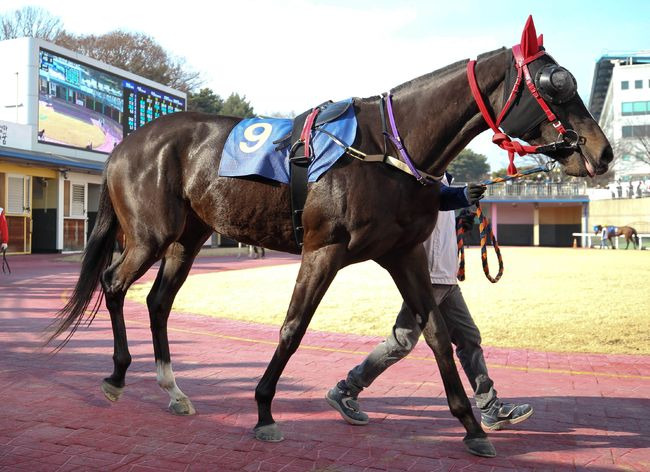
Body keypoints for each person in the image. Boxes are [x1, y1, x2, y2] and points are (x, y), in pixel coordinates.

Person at [326, 174, 533, 431]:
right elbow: (438, 198)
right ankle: (345, 390)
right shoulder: (420, 174)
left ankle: (490, 408)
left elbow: (444, 205)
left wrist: (463, 205)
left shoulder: (443, 174)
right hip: (424, 278)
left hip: (445, 280)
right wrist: (462, 195)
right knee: (401, 342)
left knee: (469, 339)